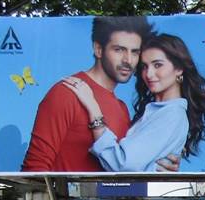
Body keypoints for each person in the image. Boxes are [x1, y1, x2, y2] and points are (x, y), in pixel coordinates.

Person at [61, 34, 205, 173]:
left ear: (179, 69)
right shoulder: (156, 112)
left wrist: (93, 110)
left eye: (158, 65)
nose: (148, 74)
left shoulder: (172, 114)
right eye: (144, 67)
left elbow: (122, 164)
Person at [21, 15, 156, 173]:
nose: (128, 60)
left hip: (111, 198)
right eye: (119, 50)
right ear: (98, 49)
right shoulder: (67, 93)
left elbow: (123, 167)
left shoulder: (122, 109)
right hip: (67, 198)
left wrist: (158, 166)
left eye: (135, 52)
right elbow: (35, 167)